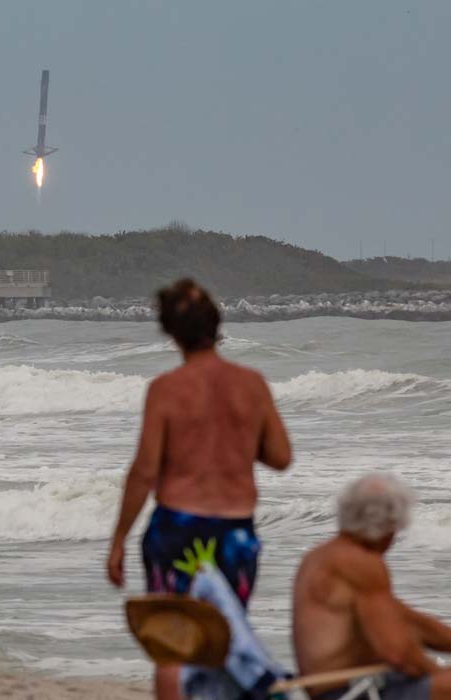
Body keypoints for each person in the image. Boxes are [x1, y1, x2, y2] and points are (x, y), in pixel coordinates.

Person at [106, 279, 292, 699]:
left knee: (173, 645)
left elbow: (144, 471)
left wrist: (118, 540)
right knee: (223, 639)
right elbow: (281, 456)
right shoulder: (252, 384)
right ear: (217, 325)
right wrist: (239, 438)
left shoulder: (166, 390)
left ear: (171, 332)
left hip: (176, 528)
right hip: (235, 534)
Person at [293, 473, 451, 700]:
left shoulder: (321, 557)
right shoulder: (362, 564)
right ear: (388, 523)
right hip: (351, 692)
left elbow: (411, 621)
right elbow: (398, 653)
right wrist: (438, 674)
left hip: (337, 688)